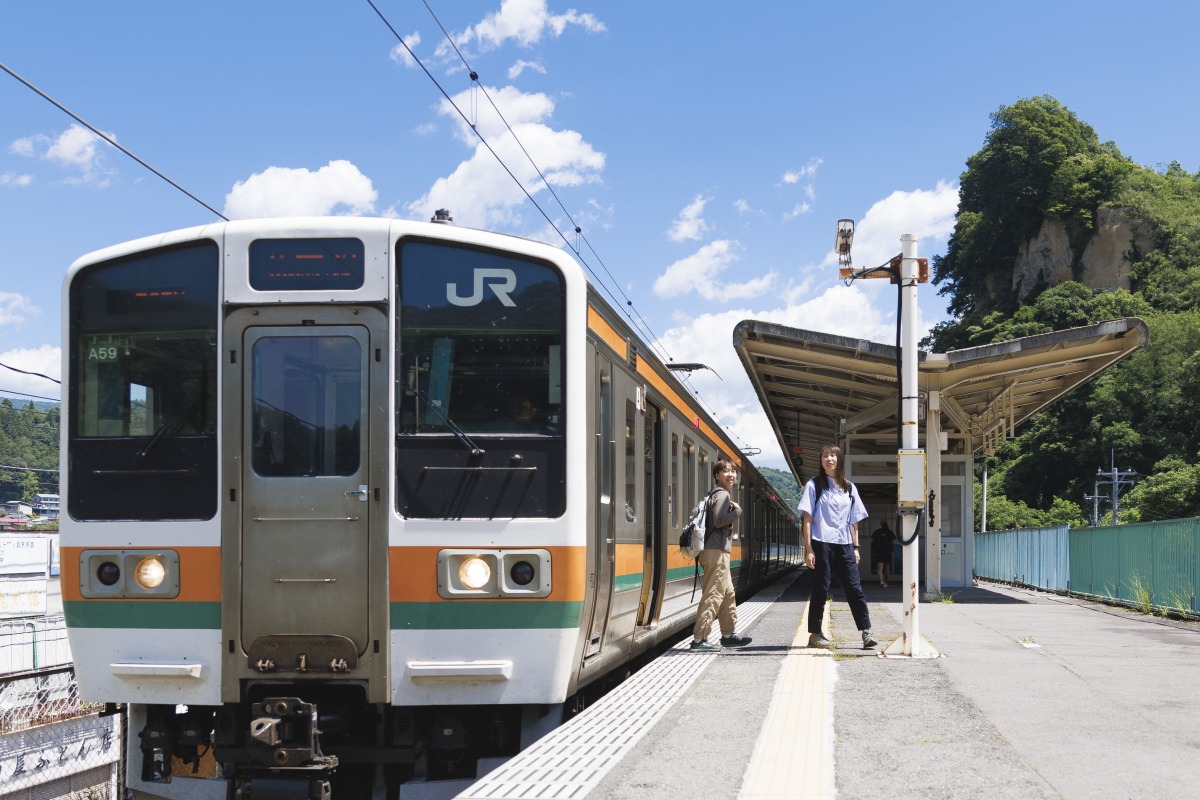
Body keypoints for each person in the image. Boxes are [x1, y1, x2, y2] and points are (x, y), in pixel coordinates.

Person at [798, 444, 878, 649]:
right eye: (825, 455)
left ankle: (866, 632)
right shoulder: (814, 485)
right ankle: (815, 635)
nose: (829, 459)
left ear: (839, 460)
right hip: (821, 543)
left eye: (833, 455)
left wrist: (856, 547)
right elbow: (807, 519)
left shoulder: (849, 487)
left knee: (855, 588)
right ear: (821, 461)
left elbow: (853, 521)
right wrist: (809, 550)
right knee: (820, 589)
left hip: (844, 545)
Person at [689, 458, 753, 651]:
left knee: (727, 593)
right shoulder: (722, 494)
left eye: (733, 471)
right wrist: (737, 512)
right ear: (717, 475)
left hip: (715, 550)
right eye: (726, 471)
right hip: (716, 550)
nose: (730, 475)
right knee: (714, 593)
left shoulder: (714, 494)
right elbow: (719, 521)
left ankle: (728, 634)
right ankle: (699, 639)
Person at [870, 519, 897, 587]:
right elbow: (893, 541)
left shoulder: (877, 532)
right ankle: (886, 582)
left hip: (879, 552)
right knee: (887, 568)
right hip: (887, 552)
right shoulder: (890, 532)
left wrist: (874, 551)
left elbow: (872, 541)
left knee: (880, 568)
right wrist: (892, 550)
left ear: (881, 524)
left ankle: (881, 581)